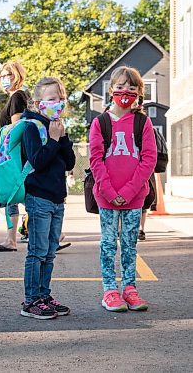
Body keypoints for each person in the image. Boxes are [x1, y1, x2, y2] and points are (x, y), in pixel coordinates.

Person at [89, 66, 157, 312]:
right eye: (120, 87)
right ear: (111, 90)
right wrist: (109, 191)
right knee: (108, 244)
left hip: (134, 196)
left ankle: (129, 289)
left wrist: (128, 191)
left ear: (139, 92)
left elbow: (148, 159)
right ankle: (110, 290)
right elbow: (95, 160)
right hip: (106, 197)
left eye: (131, 88)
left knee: (129, 244)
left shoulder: (143, 122)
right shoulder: (101, 122)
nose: (125, 92)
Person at [21, 77, 75, 319]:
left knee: (50, 251)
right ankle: (31, 300)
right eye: (53, 99)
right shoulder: (32, 126)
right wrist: (53, 140)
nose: (59, 103)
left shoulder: (58, 126)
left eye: (61, 98)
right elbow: (38, 161)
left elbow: (70, 163)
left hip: (57, 198)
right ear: (37, 102)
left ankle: (44, 294)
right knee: (37, 250)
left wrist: (62, 138)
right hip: (39, 196)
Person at [0, 60, 31, 252]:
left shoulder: (17, 97)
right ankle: (12, 238)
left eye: (9, 75)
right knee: (19, 196)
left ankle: (12, 238)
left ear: (18, 75)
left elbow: (16, 128)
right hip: (18, 155)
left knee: (12, 193)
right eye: (3, 75)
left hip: (14, 155)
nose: (6, 79)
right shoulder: (20, 96)